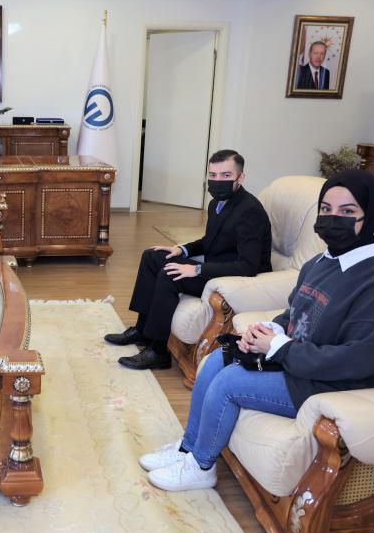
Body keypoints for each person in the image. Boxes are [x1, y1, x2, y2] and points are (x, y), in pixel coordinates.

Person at [142, 169, 374, 491]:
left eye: (347, 211)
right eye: (326, 209)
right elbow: (296, 311)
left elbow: (362, 359)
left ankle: (201, 466)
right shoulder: (321, 263)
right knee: (219, 358)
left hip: (337, 383)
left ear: (369, 216)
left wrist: (281, 348)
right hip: (301, 363)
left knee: (229, 381)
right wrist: (268, 330)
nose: (333, 218)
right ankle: (188, 447)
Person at [104, 150, 272, 370]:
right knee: (152, 256)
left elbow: (248, 266)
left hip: (234, 277)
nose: (217, 181)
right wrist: (180, 250)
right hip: (215, 266)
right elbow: (209, 241)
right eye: (213, 175)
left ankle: (158, 351)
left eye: (225, 175)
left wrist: (197, 270)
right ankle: (142, 330)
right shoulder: (217, 203)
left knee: (170, 273)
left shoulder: (249, 210)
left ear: (240, 178)